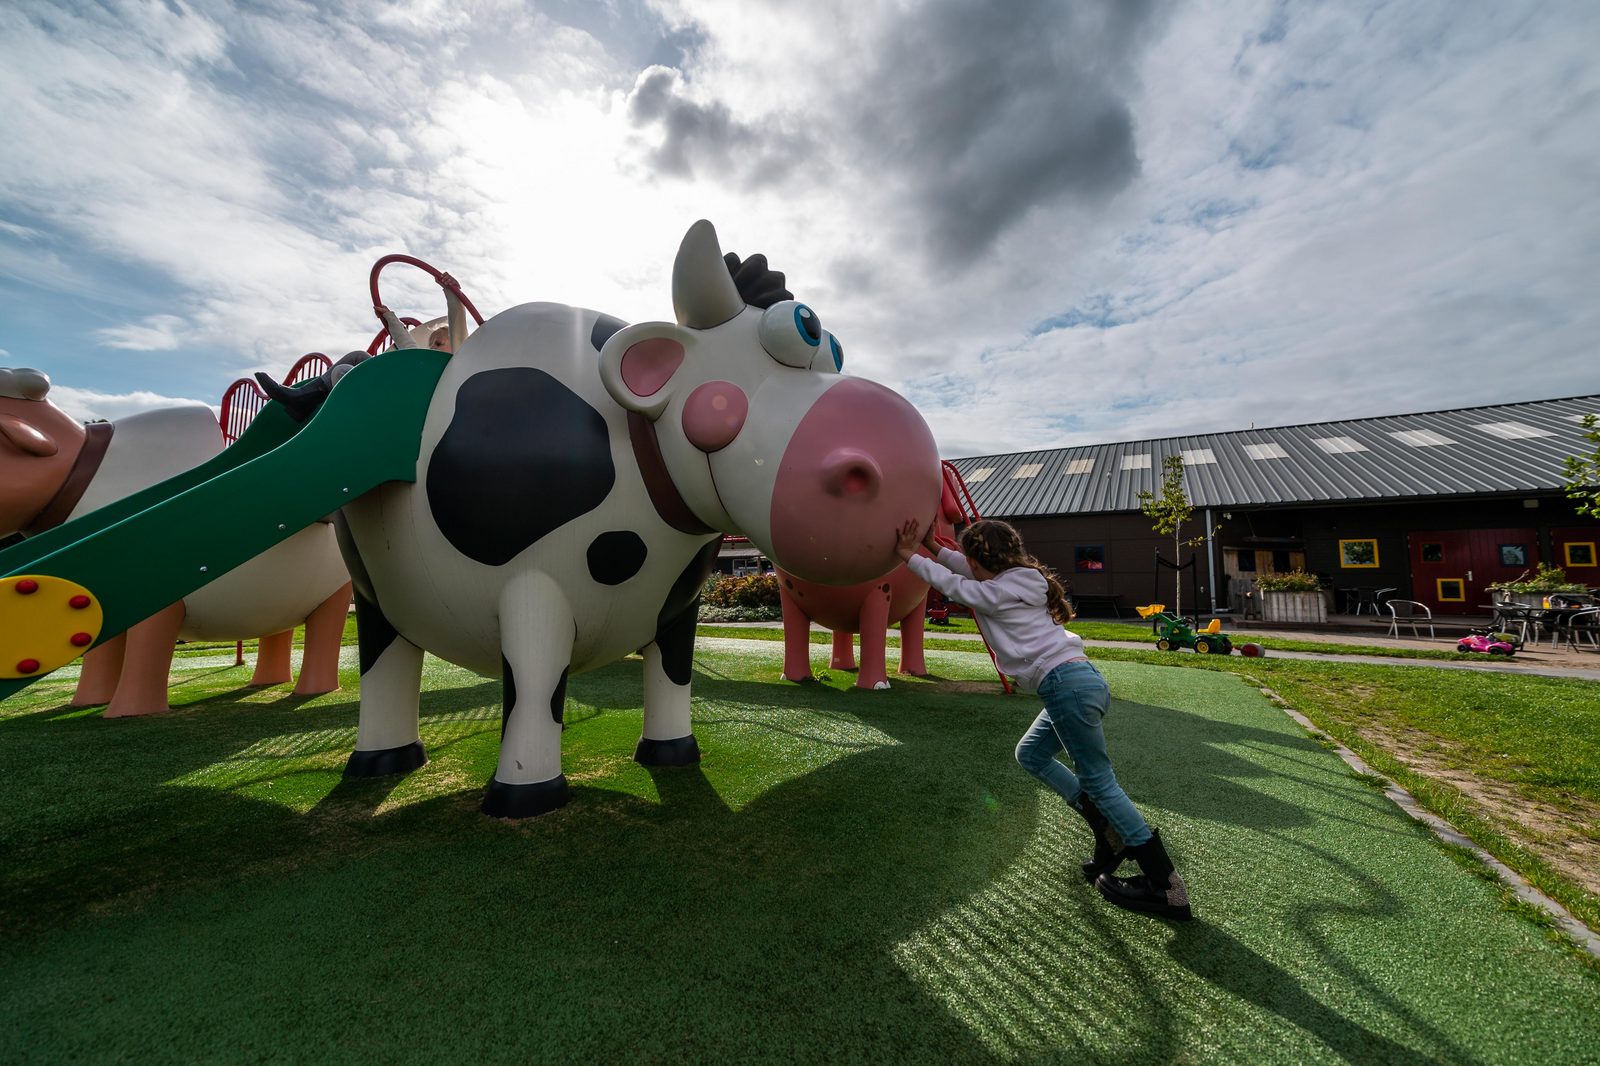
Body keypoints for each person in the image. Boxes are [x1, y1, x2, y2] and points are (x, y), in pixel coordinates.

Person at [895, 517, 1191, 921]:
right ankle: (1106, 830)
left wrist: (909, 555)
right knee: (1031, 754)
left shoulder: (997, 590)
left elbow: (957, 586)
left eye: (970, 560)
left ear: (983, 563)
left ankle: (1166, 886)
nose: (968, 566)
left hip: (1064, 686)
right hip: (1076, 681)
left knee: (1100, 782)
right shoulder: (1019, 579)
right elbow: (968, 573)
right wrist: (934, 547)